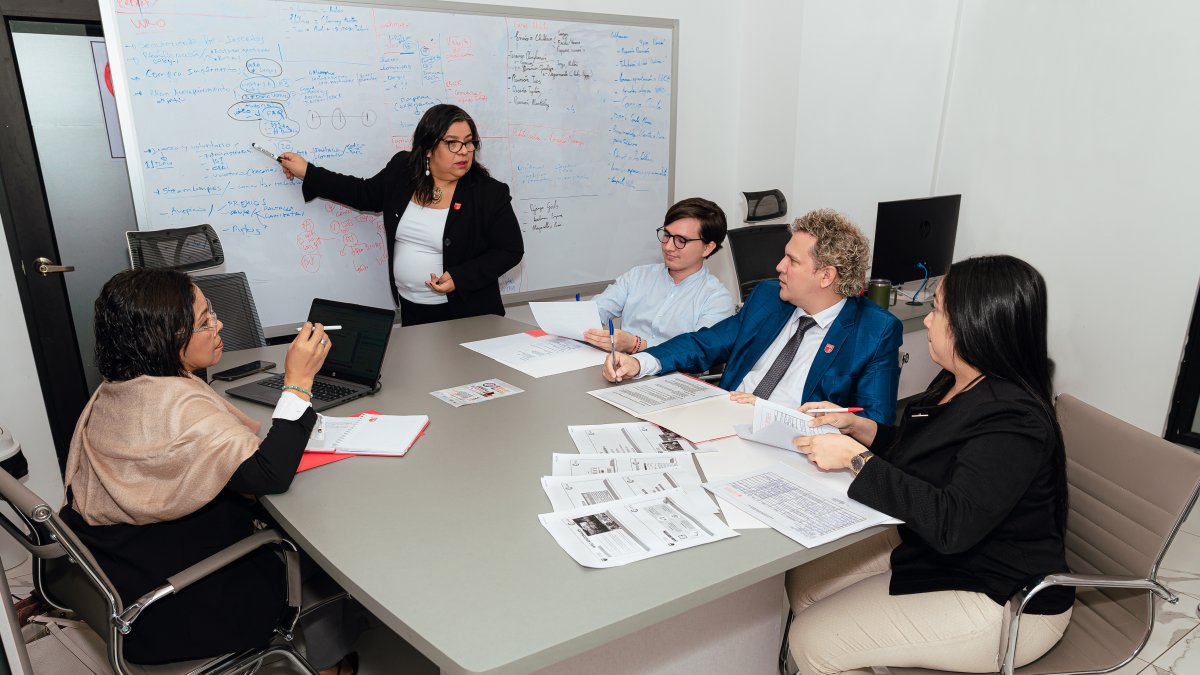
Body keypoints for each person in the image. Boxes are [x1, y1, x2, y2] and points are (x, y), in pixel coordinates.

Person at [784, 255, 1073, 674]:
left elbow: (952, 523)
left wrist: (856, 460)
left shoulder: (1014, 419)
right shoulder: (960, 381)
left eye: (938, 309)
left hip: (1002, 596)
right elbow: (932, 454)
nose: (930, 322)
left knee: (812, 640)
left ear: (975, 323)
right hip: (941, 553)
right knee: (805, 583)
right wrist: (863, 430)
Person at [60, 269, 356, 673]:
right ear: (165, 338)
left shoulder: (117, 389)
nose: (219, 324)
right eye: (205, 321)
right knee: (324, 544)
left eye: (212, 311)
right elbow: (267, 474)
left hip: (127, 573)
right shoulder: (179, 408)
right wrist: (299, 382)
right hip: (180, 609)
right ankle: (328, 663)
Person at [602, 208, 903, 424]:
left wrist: (770, 414)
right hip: (721, 423)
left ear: (825, 276)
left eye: (792, 261)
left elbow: (874, 424)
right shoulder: (769, 298)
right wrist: (641, 361)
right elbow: (705, 343)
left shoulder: (875, 331)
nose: (779, 266)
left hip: (790, 450)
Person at [279, 104, 524, 326]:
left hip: (467, 315)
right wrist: (308, 173)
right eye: (452, 143)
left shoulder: (488, 193)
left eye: (469, 142)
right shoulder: (403, 171)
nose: (464, 151)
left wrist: (460, 277)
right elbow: (363, 194)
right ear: (428, 148)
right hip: (413, 311)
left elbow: (510, 250)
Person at [581, 197, 735, 353]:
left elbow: (696, 353)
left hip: (673, 375)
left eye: (681, 240)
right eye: (667, 235)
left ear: (707, 248)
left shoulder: (716, 300)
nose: (668, 247)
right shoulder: (638, 276)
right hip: (618, 369)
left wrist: (636, 345)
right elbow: (594, 312)